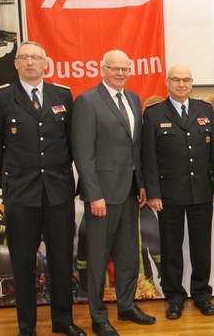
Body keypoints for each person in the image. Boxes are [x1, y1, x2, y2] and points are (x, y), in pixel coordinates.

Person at [0, 41, 85, 336]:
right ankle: (26, 327)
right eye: (24, 58)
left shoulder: (62, 94)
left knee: (61, 258)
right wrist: (14, 176)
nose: (30, 63)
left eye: (36, 58)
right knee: (24, 262)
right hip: (21, 194)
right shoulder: (1, 98)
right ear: (15, 63)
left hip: (57, 193)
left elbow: (69, 143)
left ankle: (62, 321)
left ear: (45, 64)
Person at [72, 50, 155, 336]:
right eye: (115, 68)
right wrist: (94, 194)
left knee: (128, 253)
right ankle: (97, 317)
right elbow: (83, 153)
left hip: (130, 192)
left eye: (125, 69)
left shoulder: (133, 99)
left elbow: (135, 150)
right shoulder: (87, 101)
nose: (121, 73)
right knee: (97, 257)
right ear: (102, 69)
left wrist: (142, 183)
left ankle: (127, 305)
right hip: (102, 197)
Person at [142, 64, 214, 320]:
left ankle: (201, 294)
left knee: (201, 247)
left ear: (192, 83)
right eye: (176, 80)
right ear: (167, 83)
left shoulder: (205, 109)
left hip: (201, 191)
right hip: (169, 194)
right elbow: (149, 157)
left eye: (186, 80)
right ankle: (175, 297)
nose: (181, 84)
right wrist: (154, 192)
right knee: (171, 248)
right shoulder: (155, 113)